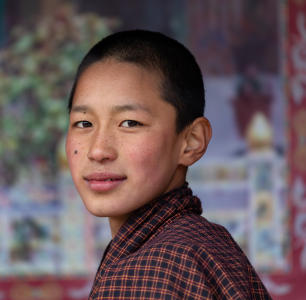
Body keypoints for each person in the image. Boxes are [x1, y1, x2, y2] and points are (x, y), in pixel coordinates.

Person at [65, 30, 271, 299]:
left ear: (191, 141)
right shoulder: (204, 244)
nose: (98, 150)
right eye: (84, 123)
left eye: (130, 123)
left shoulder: (157, 268)